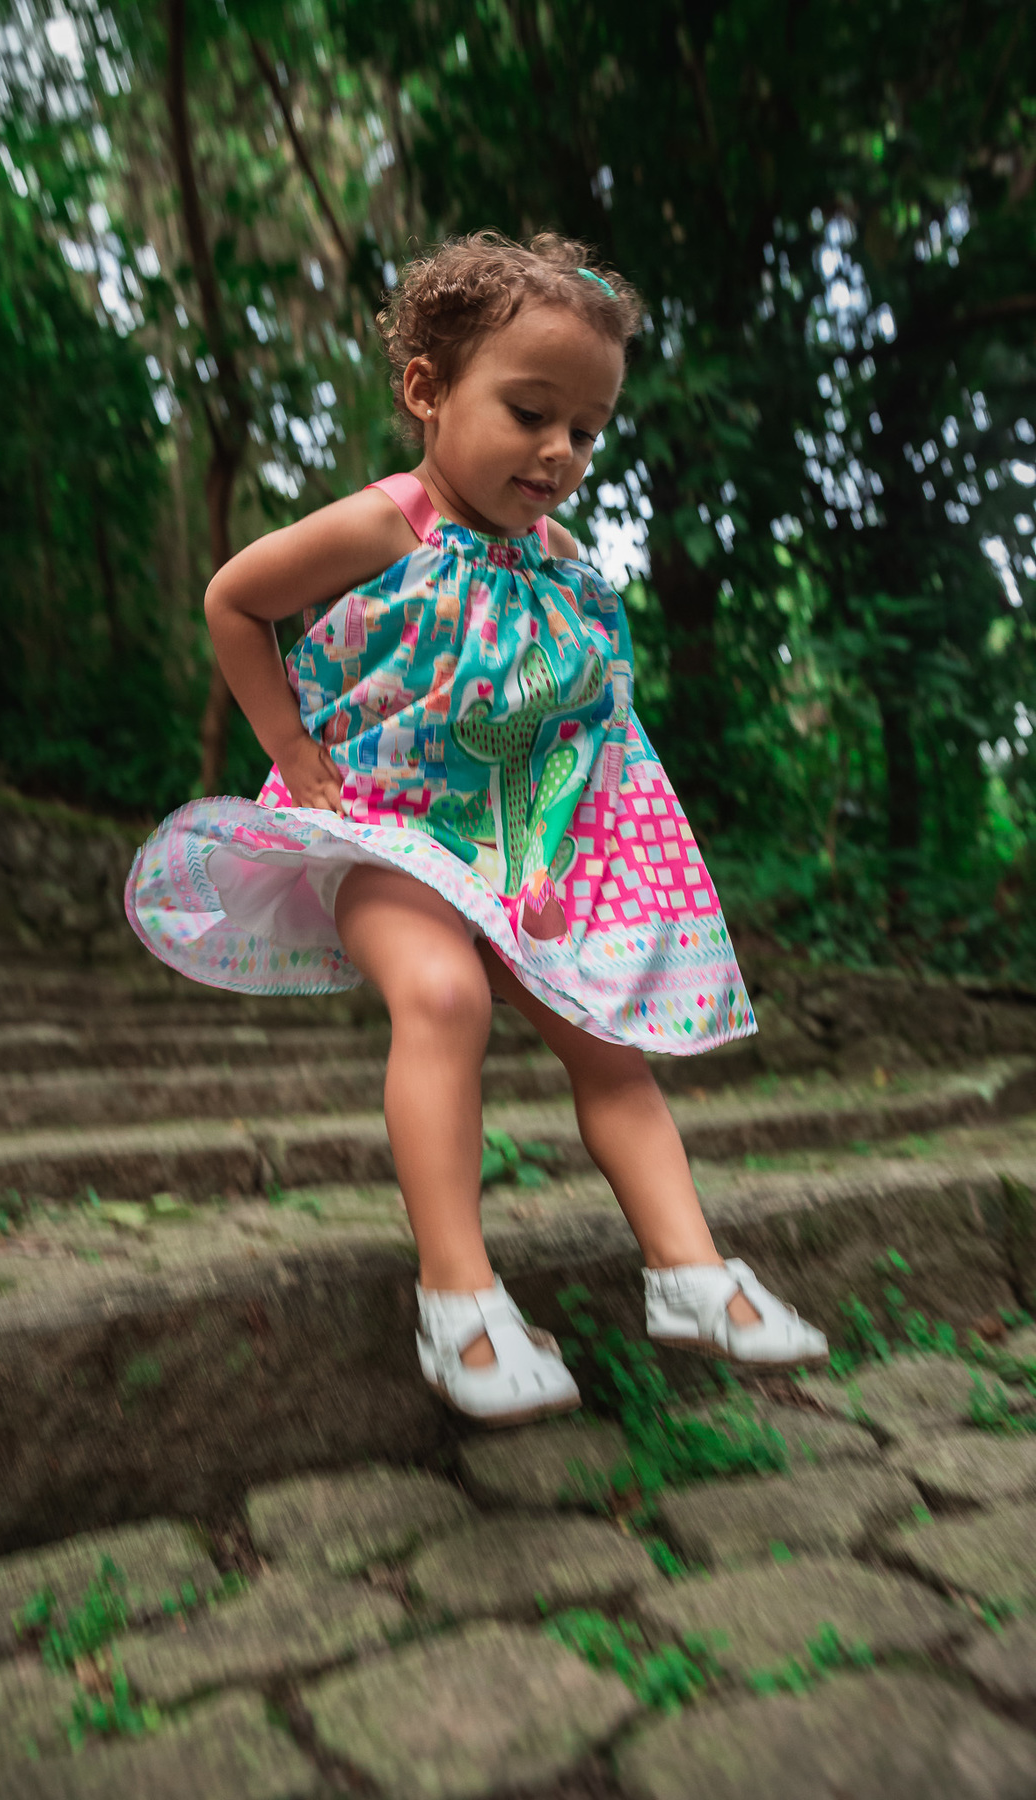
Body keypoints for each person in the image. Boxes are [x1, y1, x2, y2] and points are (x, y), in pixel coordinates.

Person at [126, 231, 827, 1426]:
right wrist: (295, 757)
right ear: (427, 392)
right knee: (442, 999)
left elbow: (584, 729)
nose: (559, 451)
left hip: (520, 852)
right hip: (383, 834)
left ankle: (691, 1269)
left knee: (607, 1040)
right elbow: (234, 601)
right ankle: (459, 1301)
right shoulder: (389, 523)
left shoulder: (556, 565)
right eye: (529, 411)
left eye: (587, 430)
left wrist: (574, 863)